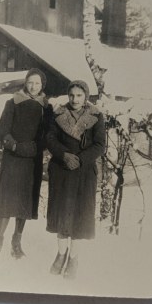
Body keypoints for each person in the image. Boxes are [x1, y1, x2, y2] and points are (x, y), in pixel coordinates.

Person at [46, 80, 105, 279]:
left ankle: (74, 258)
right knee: (61, 216)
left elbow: (99, 145)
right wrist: (64, 155)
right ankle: (61, 254)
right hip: (61, 172)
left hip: (84, 173)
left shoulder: (96, 116)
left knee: (79, 218)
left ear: (86, 96)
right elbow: (50, 139)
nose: (75, 99)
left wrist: (80, 159)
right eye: (72, 95)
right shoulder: (58, 115)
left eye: (79, 95)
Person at [0, 68, 50, 260]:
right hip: (13, 159)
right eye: (31, 82)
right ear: (26, 83)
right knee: (8, 201)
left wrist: (34, 149)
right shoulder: (13, 102)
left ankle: (16, 244)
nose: (33, 86)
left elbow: (47, 135)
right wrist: (14, 146)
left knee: (25, 201)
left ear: (42, 86)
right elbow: (3, 129)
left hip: (32, 160)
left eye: (38, 83)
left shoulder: (45, 107)